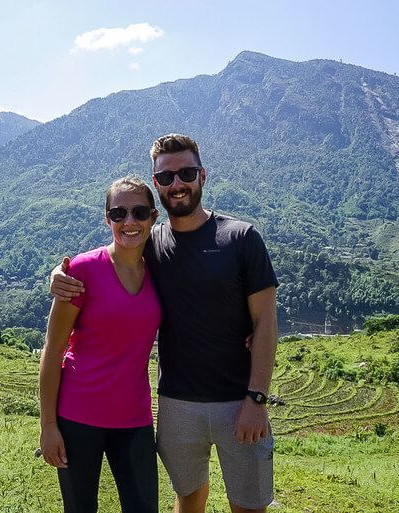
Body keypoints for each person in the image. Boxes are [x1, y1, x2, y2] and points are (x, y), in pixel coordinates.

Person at [51, 134, 279, 513]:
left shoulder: (241, 237)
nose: (177, 184)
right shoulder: (152, 243)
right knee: (188, 497)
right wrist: (58, 277)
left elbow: (266, 321)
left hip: (238, 401)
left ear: (202, 176)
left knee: (248, 505)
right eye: (166, 177)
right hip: (176, 403)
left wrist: (257, 399)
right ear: (156, 185)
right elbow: (111, 255)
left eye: (186, 173)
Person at [39, 176, 160, 513]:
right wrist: (48, 426)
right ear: (107, 218)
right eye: (118, 213)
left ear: (153, 217)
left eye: (138, 212)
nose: (129, 222)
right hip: (78, 417)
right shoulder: (82, 271)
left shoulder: (161, 270)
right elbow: (52, 351)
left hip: (134, 419)